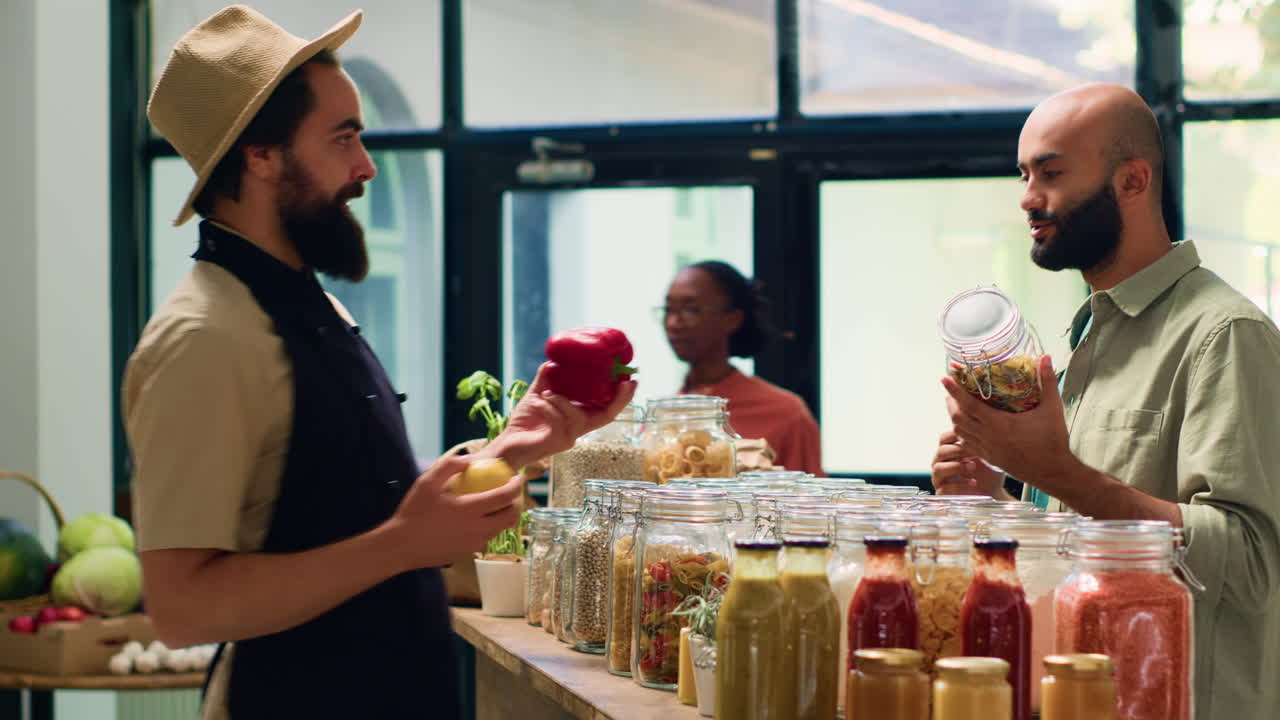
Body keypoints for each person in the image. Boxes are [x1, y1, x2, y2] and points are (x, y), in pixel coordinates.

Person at [126, 7, 636, 719]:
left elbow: (349, 509)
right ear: (261, 155)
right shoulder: (205, 337)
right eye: (343, 139)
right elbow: (183, 607)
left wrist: (521, 444)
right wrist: (402, 545)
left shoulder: (307, 306)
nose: (365, 167)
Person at [930, 83, 1280, 718]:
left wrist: (1054, 471)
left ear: (1133, 180)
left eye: (1051, 173)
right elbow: (1078, 536)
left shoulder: (1225, 333)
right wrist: (997, 499)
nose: (1028, 198)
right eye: (1024, 173)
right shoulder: (1093, 328)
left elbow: (1253, 562)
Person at [661, 260, 823, 475]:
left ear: (732, 319)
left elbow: (810, 503)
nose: (673, 322)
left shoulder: (786, 413)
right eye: (668, 309)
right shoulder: (665, 414)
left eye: (690, 309)